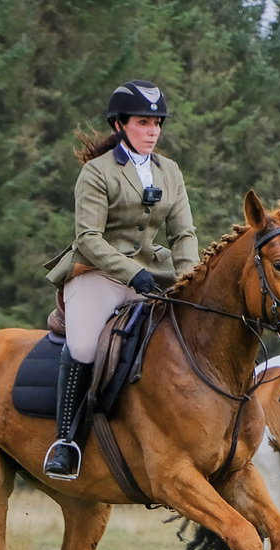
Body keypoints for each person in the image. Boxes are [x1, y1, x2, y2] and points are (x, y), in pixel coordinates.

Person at [42, 80, 199, 480]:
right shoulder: (97, 172)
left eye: (157, 123)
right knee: (82, 344)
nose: (153, 131)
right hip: (98, 271)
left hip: (154, 269)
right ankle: (65, 442)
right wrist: (133, 273)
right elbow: (88, 239)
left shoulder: (170, 172)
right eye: (144, 122)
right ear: (119, 125)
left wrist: (190, 280)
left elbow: (183, 235)